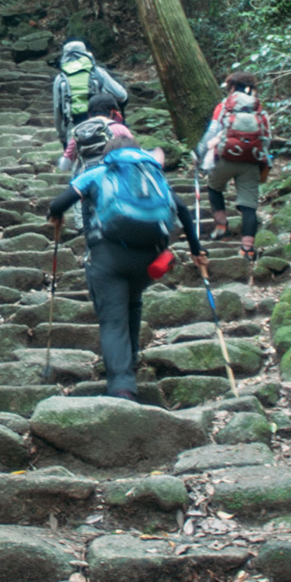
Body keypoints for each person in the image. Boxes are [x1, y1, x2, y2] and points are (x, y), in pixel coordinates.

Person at [47, 140, 209, 401]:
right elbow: (183, 211)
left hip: (108, 256)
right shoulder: (152, 175)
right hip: (149, 256)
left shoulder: (99, 172)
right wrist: (196, 250)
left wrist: (56, 216)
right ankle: (130, 361)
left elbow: (58, 204)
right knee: (133, 302)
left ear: (108, 155)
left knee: (113, 319)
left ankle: (122, 386)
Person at [195, 71, 272, 260]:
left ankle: (222, 226)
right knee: (249, 206)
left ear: (231, 87)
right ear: (251, 88)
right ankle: (247, 249)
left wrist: (200, 152)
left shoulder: (224, 107)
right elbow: (267, 138)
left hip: (225, 159)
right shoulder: (258, 109)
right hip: (251, 161)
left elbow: (212, 132)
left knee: (214, 188)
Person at [52, 39, 129, 148]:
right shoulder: (97, 72)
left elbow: (57, 110)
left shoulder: (60, 79)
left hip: (73, 126)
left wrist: (62, 136)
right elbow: (122, 95)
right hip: (101, 125)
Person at [60, 92, 135, 173]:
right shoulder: (120, 129)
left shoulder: (80, 131)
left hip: (86, 180)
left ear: (89, 114)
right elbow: (136, 155)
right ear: (112, 112)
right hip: (113, 178)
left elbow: (64, 166)